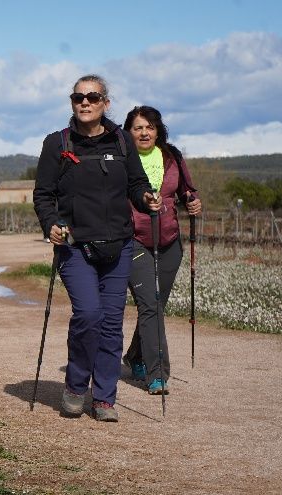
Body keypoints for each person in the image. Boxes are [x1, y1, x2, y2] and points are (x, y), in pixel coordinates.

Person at [33, 74, 160, 422]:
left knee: (110, 324)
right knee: (88, 315)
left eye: (92, 97)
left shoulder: (122, 140)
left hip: (118, 246)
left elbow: (136, 183)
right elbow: (43, 195)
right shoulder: (57, 143)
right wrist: (51, 225)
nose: (84, 102)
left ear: (106, 102)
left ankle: (104, 397)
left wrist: (146, 196)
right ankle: (76, 387)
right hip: (75, 247)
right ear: (72, 102)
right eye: (78, 97)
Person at [122, 105, 202, 395]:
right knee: (150, 304)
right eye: (138, 128)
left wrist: (193, 201)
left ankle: (134, 356)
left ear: (158, 130)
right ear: (128, 132)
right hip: (133, 240)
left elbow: (187, 191)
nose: (144, 133)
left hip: (169, 241)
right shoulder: (122, 159)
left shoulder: (173, 156)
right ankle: (158, 375)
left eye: (150, 127)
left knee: (155, 306)